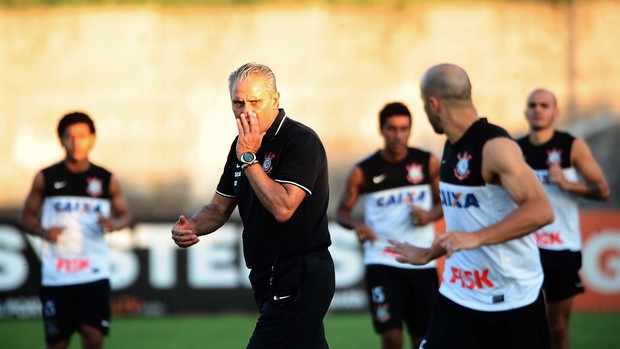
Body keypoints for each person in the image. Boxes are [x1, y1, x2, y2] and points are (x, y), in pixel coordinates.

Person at [386, 63, 555, 349]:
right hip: (458, 295)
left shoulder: (495, 146)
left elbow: (541, 210)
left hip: (512, 298)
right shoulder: (451, 145)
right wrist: (429, 253)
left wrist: (475, 239)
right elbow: (466, 223)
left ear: (433, 104)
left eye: (422, 103)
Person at [171, 62, 335, 349]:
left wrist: (249, 159)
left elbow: (283, 207)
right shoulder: (242, 144)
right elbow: (219, 208)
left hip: (299, 274)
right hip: (265, 277)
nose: (246, 110)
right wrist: (192, 226)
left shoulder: (299, 141)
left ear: (275, 99)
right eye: (238, 102)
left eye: (255, 101)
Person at [20, 111, 132, 349]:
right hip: (57, 275)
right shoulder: (46, 178)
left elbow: (125, 215)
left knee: (93, 336)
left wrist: (114, 224)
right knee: (58, 343)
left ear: (92, 139)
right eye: (69, 136)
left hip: (93, 273)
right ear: (61, 140)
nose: (76, 142)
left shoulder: (105, 179)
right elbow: (26, 216)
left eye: (82, 136)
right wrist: (43, 231)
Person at [335, 102, 442, 349]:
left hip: (421, 258)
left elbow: (444, 203)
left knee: (422, 338)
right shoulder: (364, 170)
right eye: (392, 129)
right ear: (382, 130)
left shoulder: (427, 162)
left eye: (404, 129)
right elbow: (342, 212)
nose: (398, 135)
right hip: (382, 260)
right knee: (392, 336)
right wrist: (357, 225)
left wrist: (429, 216)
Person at [517, 88, 610, 349]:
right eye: (533, 104)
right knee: (526, 323)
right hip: (526, 247)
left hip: (561, 248)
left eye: (544, 105)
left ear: (555, 112)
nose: (538, 109)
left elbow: (603, 190)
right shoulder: (515, 149)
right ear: (526, 111)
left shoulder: (571, 146)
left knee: (557, 326)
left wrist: (569, 184)